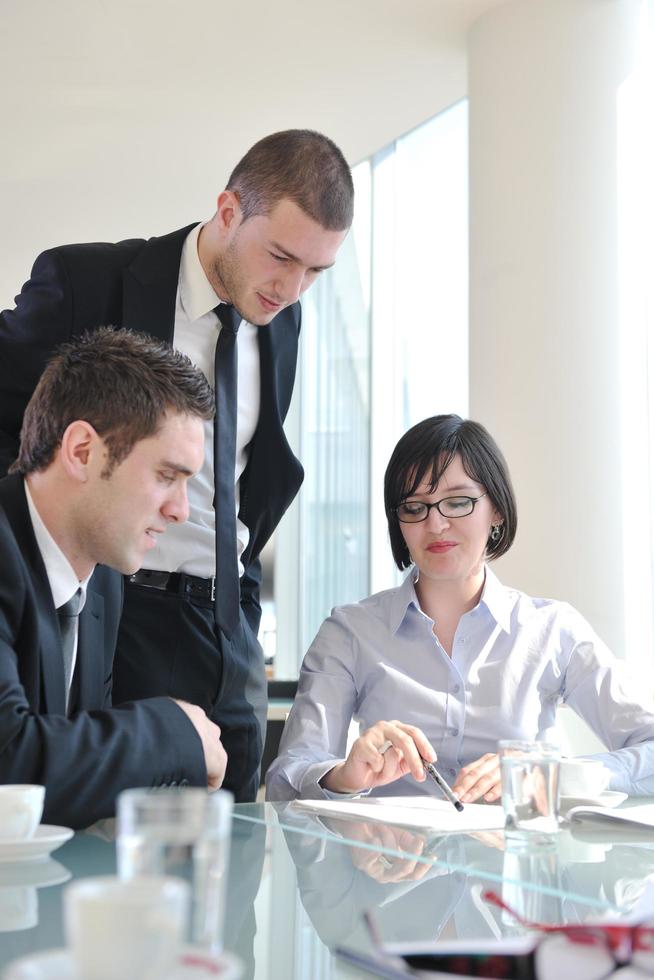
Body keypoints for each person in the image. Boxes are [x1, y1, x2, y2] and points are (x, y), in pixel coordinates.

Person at [0, 129, 354, 802]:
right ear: (227, 211)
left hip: (227, 622)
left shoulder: (282, 319)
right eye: (280, 256)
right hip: (118, 607)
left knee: (236, 849)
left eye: (316, 271)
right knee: (112, 834)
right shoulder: (87, 283)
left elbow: (253, 470)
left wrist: (240, 591)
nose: (293, 286)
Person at [266, 414, 654, 802]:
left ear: (497, 510)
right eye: (415, 507)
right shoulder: (350, 632)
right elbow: (288, 776)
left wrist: (548, 775)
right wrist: (344, 776)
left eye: (457, 502)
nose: (435, 524)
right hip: (393, 859)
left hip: (517, 855)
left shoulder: (552, 629)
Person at [0, 328, 228, 829]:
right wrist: (175, 731)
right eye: (167, 476)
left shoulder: (102, 584)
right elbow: (9, 764)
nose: (180, 511)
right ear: (82, 451)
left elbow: (75, 775)